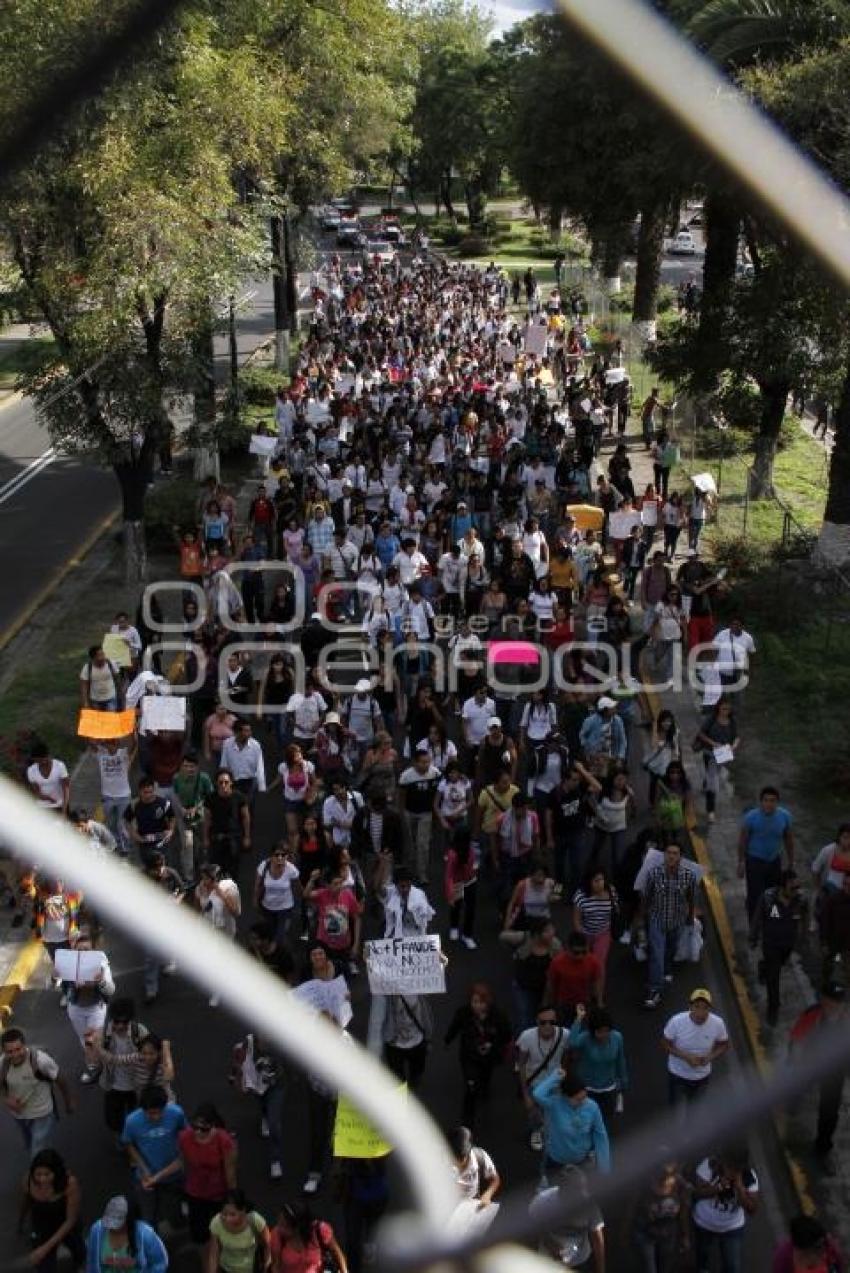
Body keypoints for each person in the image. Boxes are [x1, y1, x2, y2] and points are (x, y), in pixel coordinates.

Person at [788, 980, 848, 1167]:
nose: (832, 1006)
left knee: (829, 1113)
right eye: (829, 1001)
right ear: (822, 1000)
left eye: (837, 1003)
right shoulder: (813, 1014)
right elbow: (796, 1039)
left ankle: (822, 1149)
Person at [444, 982, 512, 1129]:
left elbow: (506, 1035)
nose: (478, 1006)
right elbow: (454, 1027)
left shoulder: (498, 1016)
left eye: (481, 1002)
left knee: (485, 1076)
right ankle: (467, 1119)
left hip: (488, 1057)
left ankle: (484, 1088)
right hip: (469, 1055)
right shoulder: (463, 1013)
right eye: (474, 1002)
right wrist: (447, 1040)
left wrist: (492, 1044)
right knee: (471, 1084)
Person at [121, 1084, 187, 1230]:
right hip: (145, 1176)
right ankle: (152, 1247)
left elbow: (185, 1137)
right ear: (142, 1109)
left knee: (174, 1213)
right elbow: (128, 1144)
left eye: (159, 1112)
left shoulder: (177, 1113)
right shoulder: (132, 1121)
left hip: (173, 1175)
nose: (156, 1117)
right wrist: (143, 1169)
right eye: (151, 1113)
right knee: (148, 1218)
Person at [1, 1027, 73, 1158]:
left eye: (18, 1049)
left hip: (42, 1113)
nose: (15, 1054)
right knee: (30, 1144)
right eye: (10, 1052)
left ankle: (41, 1172)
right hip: (20, 1116)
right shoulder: (2, 1064)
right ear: (4, 1052)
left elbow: (60, 1079)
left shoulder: (40, 1061)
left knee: (37, 1150)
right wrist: (6, 1099)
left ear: (25, 1046)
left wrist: (68, 1102)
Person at [640, 842, 697, 1010]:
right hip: (656, 920)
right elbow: (646, 897)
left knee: (670, 949)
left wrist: (690, 916)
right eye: (668, 852)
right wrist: (643, 917)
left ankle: (667, 968)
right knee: (656, 953)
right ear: (664, 855)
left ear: (680, 857)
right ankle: (654, 990)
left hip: (677, 921)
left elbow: (691, 897)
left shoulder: (689, 876)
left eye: (675, 853)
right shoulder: (653, 874)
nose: (671, 856)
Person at [749, 869, 807, 1027]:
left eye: (797, 887)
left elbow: (805, 920)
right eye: (792, 888)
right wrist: (753, 937)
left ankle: (763, 967)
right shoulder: (768, 898)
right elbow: (757, 917)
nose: (796, 891)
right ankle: (773, 1007)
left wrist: (803, 940)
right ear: (782, 886)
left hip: (787, 945)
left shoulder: (801, 900)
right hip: (770, 944)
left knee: (776, 966)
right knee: (774, 978)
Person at [691, 1147, 759, 1273]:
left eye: (736, 1169)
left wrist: (740, 1189)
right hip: (704, 1224)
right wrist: (718, 1188)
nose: (732, 1172)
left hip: (732, 1227)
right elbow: (696, 1194)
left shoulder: (749, 1178)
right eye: (729, 1167)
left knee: (732, 1266)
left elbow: (752, 1209)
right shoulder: (709, 1166)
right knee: (702, 1258)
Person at [532, 1071, 611, 1177]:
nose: (583, 1102)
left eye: (584, 1097)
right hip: (556, 1162)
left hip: (582, 1162)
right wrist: (556, 1077)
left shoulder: (592, 1107)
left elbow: (601, 1136)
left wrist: (604, 1167)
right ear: (565, 1096)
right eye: (578, 1099)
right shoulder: (554, 1104)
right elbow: (537, 1094)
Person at [179, 1103, 238, 1245]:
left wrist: (233, 1199)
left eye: (204, 1128)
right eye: (195, 1127)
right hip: (195, 1193)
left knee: (222, 1232)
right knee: (199, 1235)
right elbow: (181, 1163)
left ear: (213, 1125)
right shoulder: (185, 1137)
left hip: (218, 1194)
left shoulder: (224, 1140)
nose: (198, 1132)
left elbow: (230, 1172)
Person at [530, 1163, 606, 1272]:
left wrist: (601, 1269)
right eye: (576, 1189)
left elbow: (597, 1239)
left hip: (579, 1261)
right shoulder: (542, 1201)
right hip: (548, 1261)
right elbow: (533, 1226)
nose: (582, 1193)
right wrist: (549, 1243)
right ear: (561, 1188)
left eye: (582, 1188)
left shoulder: (589, 1205)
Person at [19, 1148, 85, 1273]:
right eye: (38, 1174)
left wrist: (44, 1249)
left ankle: (80, 1265)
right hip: (42, 1228)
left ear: (56, 1172)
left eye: (47, 1174)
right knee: (44, 1267)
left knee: (78, 1250)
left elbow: (71, 1219)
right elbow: (26, 1201)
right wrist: (21, 1221)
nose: (42, 1179)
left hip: (66, 1224)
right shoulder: (28, 1181)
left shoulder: (69, 1184)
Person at [662, 989, 730, 1109]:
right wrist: (686, 1057)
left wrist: (709, 1057)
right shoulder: (676, 1021)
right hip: (678, 1075)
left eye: (705, 1008)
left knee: (695, 1113)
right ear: (690, 1007)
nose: (700, 1012)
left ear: (710, 1009)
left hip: (702, 1077)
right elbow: (665, 1044)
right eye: (697, 1006)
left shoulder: (718, 1023)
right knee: (676, 1113)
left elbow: (724, 1044)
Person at [515, 1004, 570, 1152]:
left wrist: (562, 1078)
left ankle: (551, 1132)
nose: (547, 1026)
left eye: (552, 1022)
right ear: (536, 1022)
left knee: (554, 1111)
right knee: (534, 1112)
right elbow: (521, 1064)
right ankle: (537, 1132)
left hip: (554, 1082)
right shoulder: (527, 1037)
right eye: (543, 1022)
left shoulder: (565, 1035)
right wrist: (525, 1094)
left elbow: (566, 1058)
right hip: (535, 1082)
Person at [737, 786, 795, 921]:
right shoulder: (751, 817)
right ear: (761, 802)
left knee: (774, 893)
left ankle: (772, 920)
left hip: (774, 860)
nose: (769, 804)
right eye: (766, 800)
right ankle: (754, 925)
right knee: (755, 895)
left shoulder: (785, 816)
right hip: (754, 861)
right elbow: (742, 841)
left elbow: (789, 839)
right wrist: (740, 862)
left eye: (772, 801)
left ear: (777, 802)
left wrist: (791, 861)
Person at [568, 1004, 628, 1124]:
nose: (603, 1035)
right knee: (586, 1121)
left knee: (605, 1121)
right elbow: (572, 1042)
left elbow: (620, 1060)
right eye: (599, 1032)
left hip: (609, 1087)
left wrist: (623, 1081)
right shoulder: (585, 1038)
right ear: (592, 1031)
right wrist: (579, 1019)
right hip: (588, 1088)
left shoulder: (617, 1037)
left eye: (607, 1031)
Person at [630, 1157, 691, 1273]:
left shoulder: (682, 1187)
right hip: (645, 1232)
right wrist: (625, 1230)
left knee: (664, 1268)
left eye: (670, 1174)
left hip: (668, 1234)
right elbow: (633, 1207)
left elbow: (683, 1214)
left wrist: (685, 1236)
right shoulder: (645, 1183)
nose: (665, 1179)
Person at [85, 1195, 167, 1273]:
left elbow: (160, 1263)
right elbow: (92, 1263)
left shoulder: (145, 1234)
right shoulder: (97, 1230)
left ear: (128, 1219)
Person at [269, 1201, 348, 1273]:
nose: (279, 1228)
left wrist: (344, 1271)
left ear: (297, 1228)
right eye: (279, 1222)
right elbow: (276, 1266)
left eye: (284, 1225)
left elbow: (337, 1252)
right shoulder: (277, 1236)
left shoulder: (319, 1230)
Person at [543, 931, 604, 1023]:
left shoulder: (593, 962)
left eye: (584, 952)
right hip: (564, 1003)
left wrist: (599, 1002)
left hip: (584, 1003)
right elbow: (551, 984)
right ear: (567, 948)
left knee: (581, 1029)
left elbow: (597, 982)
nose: (580, 956)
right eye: (576, 953)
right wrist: (548, 1004)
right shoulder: (557, 963)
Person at [207, 1190, 271, 1273]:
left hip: (251, 1269)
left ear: (243, 1210)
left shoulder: (255, 1220)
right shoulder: (216, 1222)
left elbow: (267, 1245)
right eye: (224, 1214)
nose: (227, 1219)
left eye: (232, 1214)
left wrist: (266, 1266)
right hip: (226, 1268)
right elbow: (213, 1253)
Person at [255, 843, 301, 947]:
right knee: (269, 934)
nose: (280, 857)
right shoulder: (264, 866)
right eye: (276, 855)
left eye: (283, 855)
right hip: (267, 906)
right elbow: (257, 886)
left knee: (280, 936)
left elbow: (298, 886)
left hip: (285, 908)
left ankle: (279, 954)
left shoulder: (291, 869)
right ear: (271, 856)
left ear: (287, 856)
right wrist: (256, 902)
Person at [448, 1125, 502, 1209]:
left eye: (462, 1159)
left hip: (471, 1208)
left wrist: (487, 1195)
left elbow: (495, 1179)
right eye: (455, 1158)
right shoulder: (439, 1162)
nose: (459, 1163)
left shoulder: (479, 1157)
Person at [771, 1214, 845, 1273]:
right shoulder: (783, 1258)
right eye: (817, 1247)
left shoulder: (827, 1245)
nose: (822, 1249)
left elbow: (839, 1266)